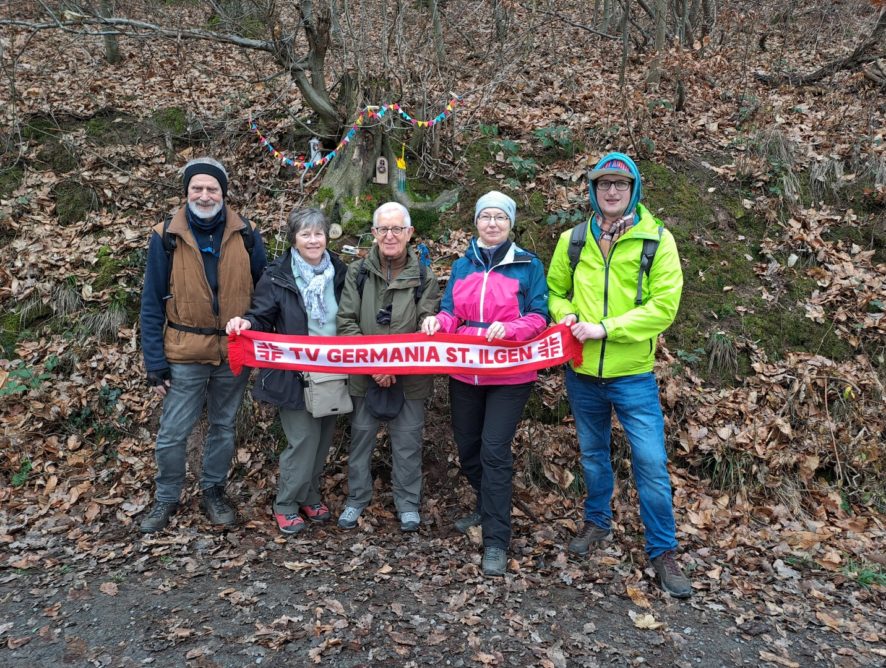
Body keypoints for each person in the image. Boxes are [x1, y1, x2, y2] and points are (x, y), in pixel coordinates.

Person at [546, 152, 691, 598]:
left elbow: (663, 307)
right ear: (593, 191)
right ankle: (597, 523)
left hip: (632, 375)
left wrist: (606, 328)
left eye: (620, 185)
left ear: (634, 191)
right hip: (583, 371)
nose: (611, 191)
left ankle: (663, 551)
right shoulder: (574, 239)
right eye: (604, 184)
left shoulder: (656, 241)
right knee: (592, 455)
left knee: (650, 463)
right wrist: (568, 317)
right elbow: (555, 291)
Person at [421, 191, 549, 576]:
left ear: (510, 224)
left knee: (495, 451)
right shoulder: (463, 265)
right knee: (468, 448)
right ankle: (485, 503)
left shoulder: (528, 265)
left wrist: (511, 329)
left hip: (510, 373)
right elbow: (450, 312)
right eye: (485, 217)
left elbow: (540, 316)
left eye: (500, 218)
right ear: (476, 222)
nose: (492, 223)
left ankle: (496, 538)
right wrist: (436, 323)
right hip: (465, 371)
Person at [139, 157, 267, 533]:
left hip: (233, 351)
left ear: (223, 193)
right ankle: (166, 497)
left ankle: (213, 490)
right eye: (198, 188)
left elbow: (265, 292)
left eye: (213, 188)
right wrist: (154, 363)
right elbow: (151, 301)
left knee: (224, 427)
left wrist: (258, 332)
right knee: (173, 432)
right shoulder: (166, 237)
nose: (205, 195)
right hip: (184, 352)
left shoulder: (246, 234)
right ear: (187, 192)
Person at [226, 209, 347, 535]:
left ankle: (308, 494)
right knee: (303, 439)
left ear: (326, 237)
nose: (313, 240)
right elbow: (261, 315)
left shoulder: (340, 271)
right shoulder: (277, 275)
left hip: (334, 372)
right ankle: (286, 503)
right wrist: (247, 324)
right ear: (294, 238)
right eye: (305, 234)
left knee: (322, 440)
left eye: (318, 233)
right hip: (293, 374)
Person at [335, 202, 440, 532]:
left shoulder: (424, 275)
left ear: (409, 233)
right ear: (374, 233)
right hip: (365, 376)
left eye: (397, 229)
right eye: (383, 229)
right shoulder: (358, 272)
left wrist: (396, 365)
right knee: (361, 439)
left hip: (410, 379)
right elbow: (347, 322)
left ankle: (408, 502)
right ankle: (357, 498)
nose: (390, 235)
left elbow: (428, 325)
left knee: (407, 443)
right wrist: (375, 366)